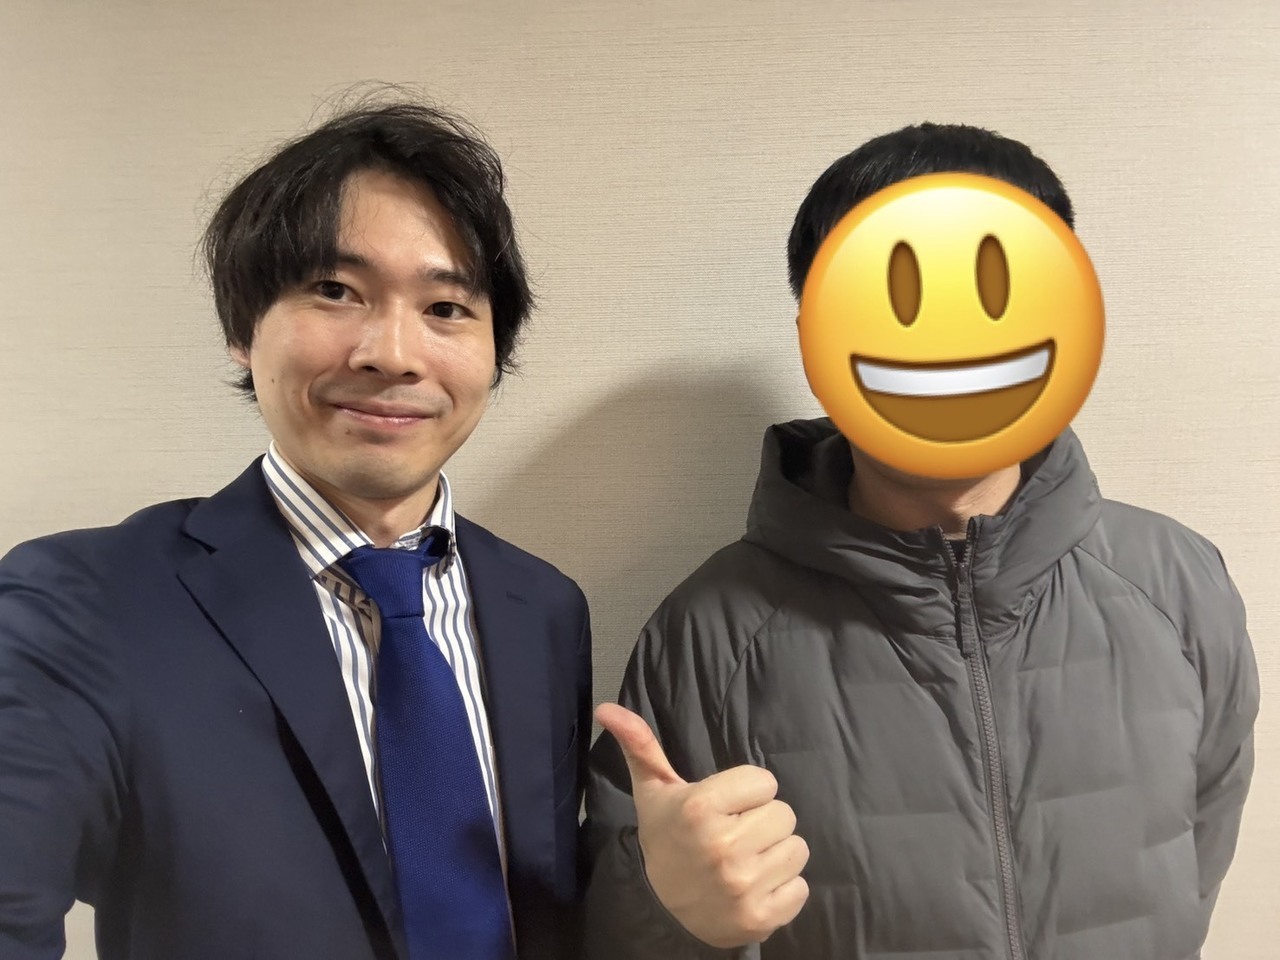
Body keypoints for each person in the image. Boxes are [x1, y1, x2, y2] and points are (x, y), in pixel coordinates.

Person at [581, 123, 1259, 960]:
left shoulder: (1180, 583)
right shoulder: (708, 633)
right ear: (817, 335)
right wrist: (670, 914)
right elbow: (619, 925)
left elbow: (1195, 865)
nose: (948, 337)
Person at [0, 101, 592, 960]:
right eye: (335, 291)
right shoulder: (84, 601)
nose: (393, 353)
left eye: (446, 307)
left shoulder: (543, 607)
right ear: (243, 329)